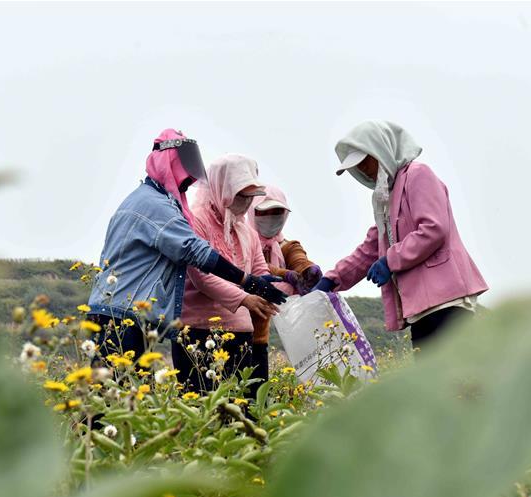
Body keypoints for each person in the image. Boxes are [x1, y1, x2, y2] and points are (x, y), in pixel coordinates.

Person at [86, 130, 286, 359]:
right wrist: (246, 281)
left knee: (126, 390)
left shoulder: (144, 201)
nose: (189, 180)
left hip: (120, 310)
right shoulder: (157, 207)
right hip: (121, 314)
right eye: (185, 166)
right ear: (168, 162)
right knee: (121, 388)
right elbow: (196, 252)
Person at [312, 120, 488, 350]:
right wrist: (333, 279)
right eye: (359, 166)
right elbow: (370, 248)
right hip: (420, 308)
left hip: (445, 301)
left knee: (455, 379)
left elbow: (433, 228)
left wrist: (390, 260)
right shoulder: (388, 198)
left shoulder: (418, 175)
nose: (364, 169)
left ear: (381, 151)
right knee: (432, 383)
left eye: (366, 161)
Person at [172, 154, 284, 396]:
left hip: (241, 331)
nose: (246, 203)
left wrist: (270, 287)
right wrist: (245, 298)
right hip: (198, 330)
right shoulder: (195, 220)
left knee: (240, 411)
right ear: (223, 188)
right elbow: (202, 276)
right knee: (200, 406)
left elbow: (258, 270)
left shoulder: (245, 229)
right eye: (241, 195)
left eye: (251, 196)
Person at [247, 184, 322, 388]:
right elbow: (252, 272)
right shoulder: (242, 240)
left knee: (256, 403)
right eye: (265, 212)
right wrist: (283, 274)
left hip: (259, 338)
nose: (271, 217)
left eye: (277, 212)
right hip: (231, 330)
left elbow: (298, 259)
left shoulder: (285, 246)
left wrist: (306, 270)